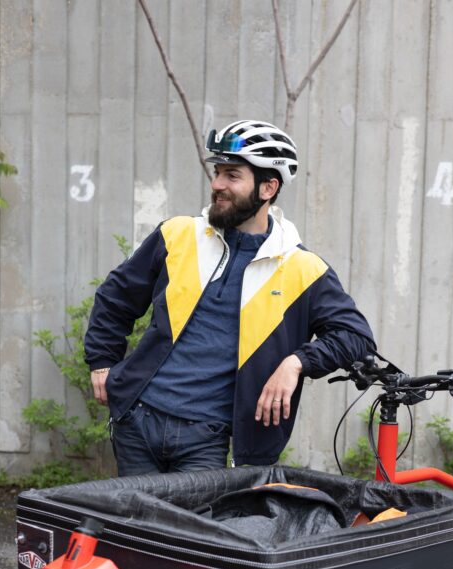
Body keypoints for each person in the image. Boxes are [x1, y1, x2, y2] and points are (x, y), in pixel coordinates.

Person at [84, 119, 375, 475]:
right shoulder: (178, 235)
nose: (217, 184)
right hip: (137, 422)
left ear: (268, 187)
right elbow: (116, 296)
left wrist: (296, 363)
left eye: (232, 175)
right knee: (134, 516)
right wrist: (102, 360)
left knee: (194, 516)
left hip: (207, 438)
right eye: (218, 173)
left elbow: (355, 337)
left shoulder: (303, 269)